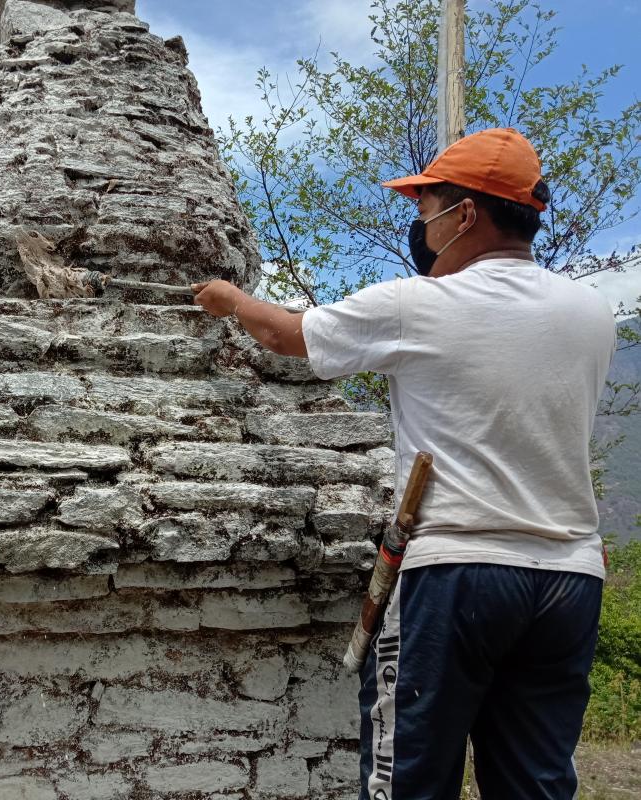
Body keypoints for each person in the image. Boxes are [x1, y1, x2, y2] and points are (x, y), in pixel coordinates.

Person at [192, 128, 616, 800]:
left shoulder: (416, 305)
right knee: (535, 784)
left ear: (466, 213)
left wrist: (229, 299)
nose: (421, 224)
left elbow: (284, 334)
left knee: (407, 783)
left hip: (454, 572)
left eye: (426, 208)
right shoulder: (592, 313)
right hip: (566, 579)